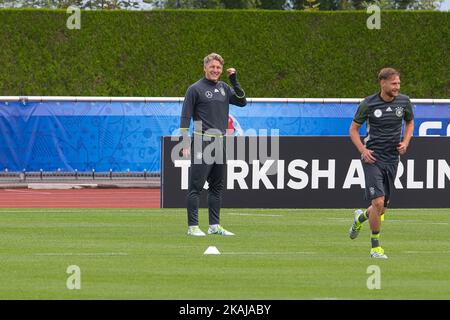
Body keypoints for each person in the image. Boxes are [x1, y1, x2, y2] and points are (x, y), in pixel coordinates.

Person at [348, 68, 414, 259]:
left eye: (399, 83)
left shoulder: (404, 102)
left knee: (382, 207)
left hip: (392, 159)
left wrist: (406, 142)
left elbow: (409, 123)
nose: (397, 87)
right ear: (382, 83)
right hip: (373, 159)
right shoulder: (368, 104)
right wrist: (363, 151)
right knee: (377, 202)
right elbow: (353, 130)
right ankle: (375, 247)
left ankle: (359, 218)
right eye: (394, 83)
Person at [179, 53, 247, 236]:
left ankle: (214, 226)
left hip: (220, 142)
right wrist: (185, 142)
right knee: (196, 187)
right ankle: (192, 227)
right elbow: (185, 117)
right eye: (212, 67)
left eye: (218, 68)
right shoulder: (194, 89)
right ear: (205, 68)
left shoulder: (225, 88)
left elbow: (242, 101)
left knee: (216, 187)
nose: (215, 70)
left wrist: (234, 80)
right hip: (202, 141)